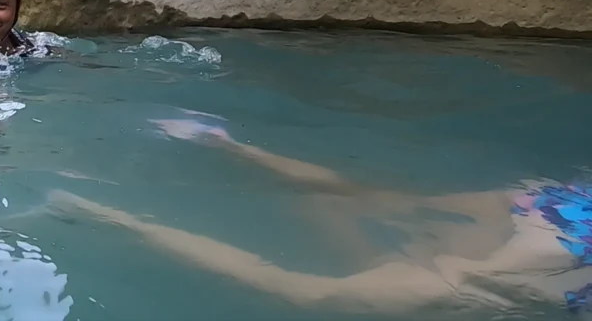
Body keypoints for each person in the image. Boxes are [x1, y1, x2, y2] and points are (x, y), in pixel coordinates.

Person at [46, 115, 592, 317]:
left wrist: (114, 217)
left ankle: (224, 145)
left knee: (350, 205)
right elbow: (300, 283)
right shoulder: (517, 254)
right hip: (556, 231)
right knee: (340, 222)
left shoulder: (518, 244)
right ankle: (223, 148)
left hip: (555, 217)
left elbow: (301, 280)